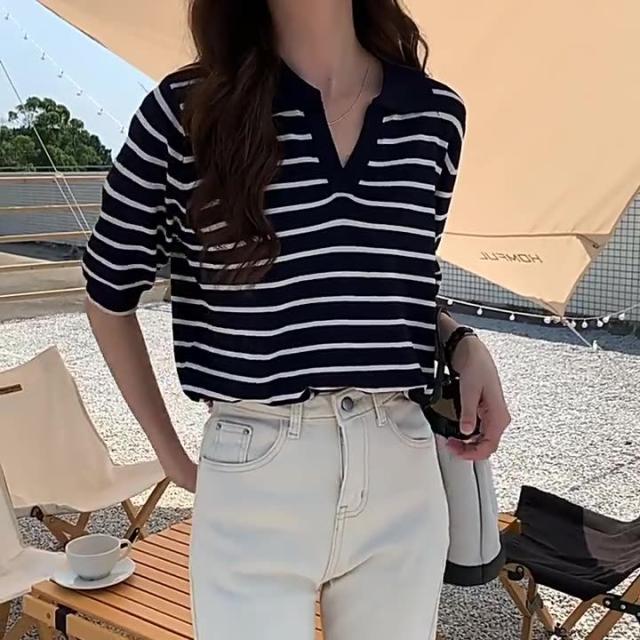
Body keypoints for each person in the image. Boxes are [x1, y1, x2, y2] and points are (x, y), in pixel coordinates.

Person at [82, 0, 511, 638]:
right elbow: (106, 292)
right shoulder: (187, 111)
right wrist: (170, 455)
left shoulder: (434, 116)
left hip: (400, 462)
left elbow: (389, 286)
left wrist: (462, 344)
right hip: (257, 465)